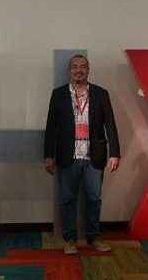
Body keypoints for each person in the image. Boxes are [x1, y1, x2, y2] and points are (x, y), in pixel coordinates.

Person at [43, 54, 120, 255]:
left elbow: (110, 124)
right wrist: (48, 155)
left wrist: (115, 153)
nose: (79, 70)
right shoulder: (58, 94)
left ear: (88, 70)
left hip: (94, 155)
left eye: (83, 66)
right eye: (75, 66)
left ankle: (94, 238)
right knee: (68, 199)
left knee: (94, 199)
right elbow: (51, 127)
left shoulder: (101, 94)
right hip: (68, 155)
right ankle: (70, 240)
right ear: (70, 71)